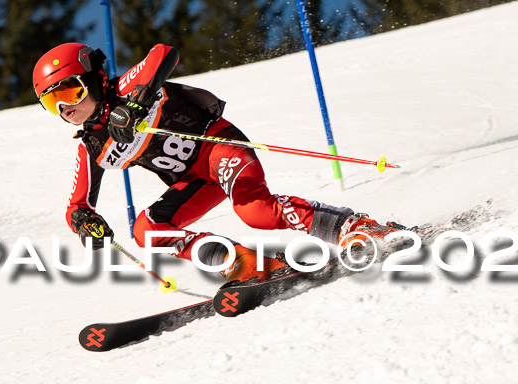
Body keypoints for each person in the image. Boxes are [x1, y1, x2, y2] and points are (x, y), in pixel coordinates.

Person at [32, 43, 401, 283]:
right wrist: (84, 222)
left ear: (93, 80)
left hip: (219, 147)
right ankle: (247, 265)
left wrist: (138, 103)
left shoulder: (124, 88)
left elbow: (163, 53)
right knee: (148, 230)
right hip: (196, 182)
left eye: (69, 91)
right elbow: (77, 204)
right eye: (53, 104)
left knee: (256, 212)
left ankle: (357, 227)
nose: (66, 108)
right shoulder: (91, 146)